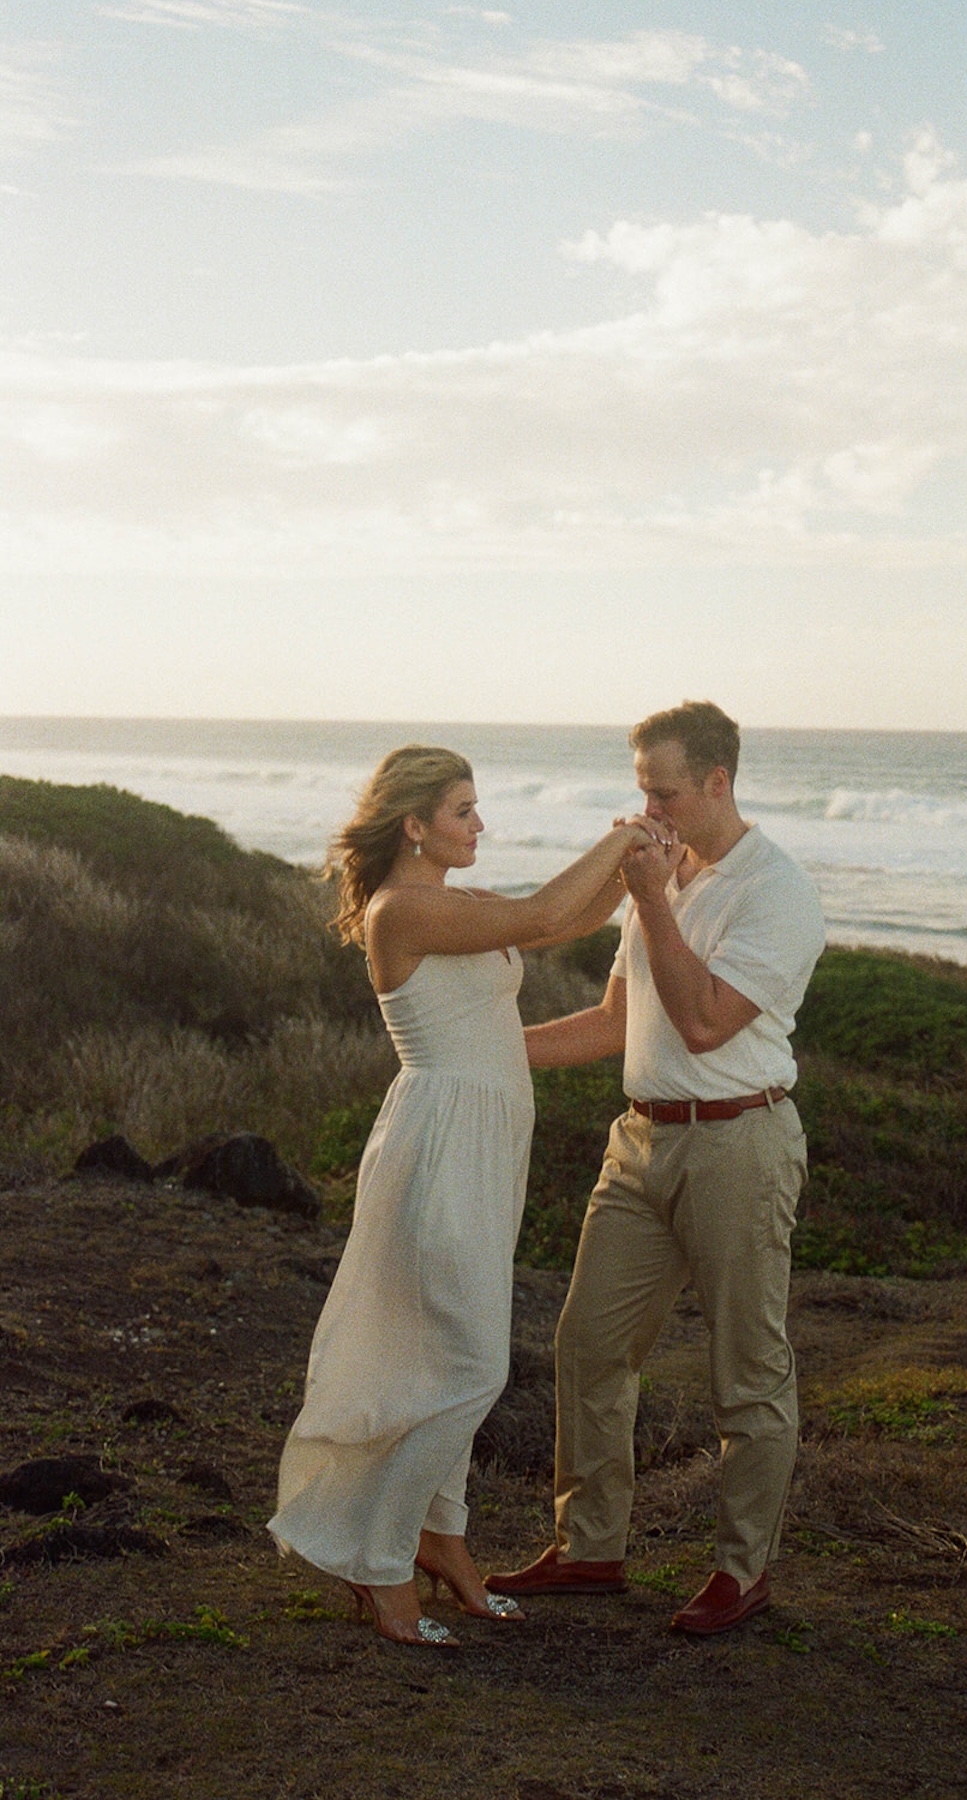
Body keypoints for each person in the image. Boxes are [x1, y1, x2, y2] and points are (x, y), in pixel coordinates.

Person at [268, 744, 663, 1646]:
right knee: (471, 1362)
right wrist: (626, 839)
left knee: (454, 1346)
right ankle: (381, 1568)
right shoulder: (401, 910)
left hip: (485, 1147)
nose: (479, 824)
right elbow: (547, 907)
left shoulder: (457, 904)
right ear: (413, 824)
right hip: (439, 1145)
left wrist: (635, 862)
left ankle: (443, 1540)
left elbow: (564, 922)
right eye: (462, 810)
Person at [486, 702, 826, 1636]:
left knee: (745, 1370)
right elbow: (612, 1021)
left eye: (662, 790)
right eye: (641, 787)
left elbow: (706, 1022)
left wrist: (648, 899)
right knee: (589, 1347)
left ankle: (740, 1570)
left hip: (738, 1144)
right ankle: (590, 1547)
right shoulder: (668, 879)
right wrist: (477, 1047)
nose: (646, 808)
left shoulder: (777, 892)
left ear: (717, 783)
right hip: (639, 1142)